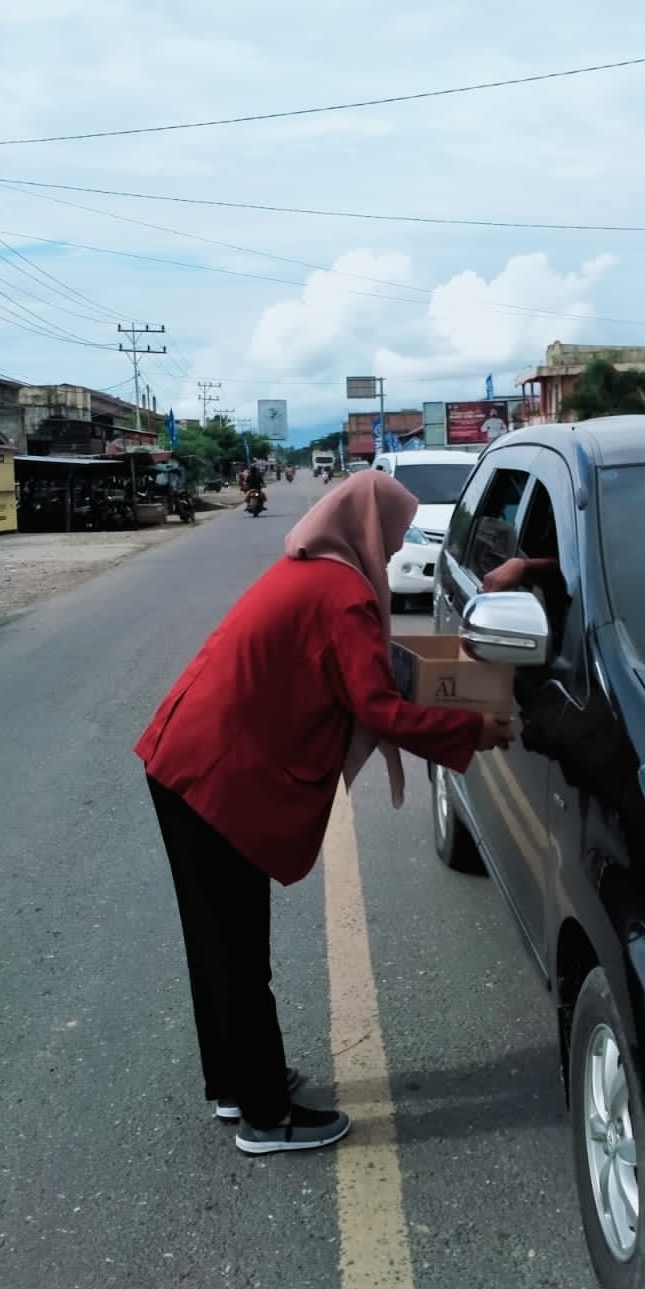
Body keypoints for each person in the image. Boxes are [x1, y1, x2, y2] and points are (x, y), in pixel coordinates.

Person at [134, 471, 514, 1156]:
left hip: (188, 760)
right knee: (239, 951)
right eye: (392, 536)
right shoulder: (341, 595)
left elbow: (372, 677)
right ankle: (268, 1117)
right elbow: (376, 705)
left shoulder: (315, 572)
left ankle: (235, 1085)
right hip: (208, 773)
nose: (395, 550)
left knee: (217, 945)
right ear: (366, 528)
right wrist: (471, 731)